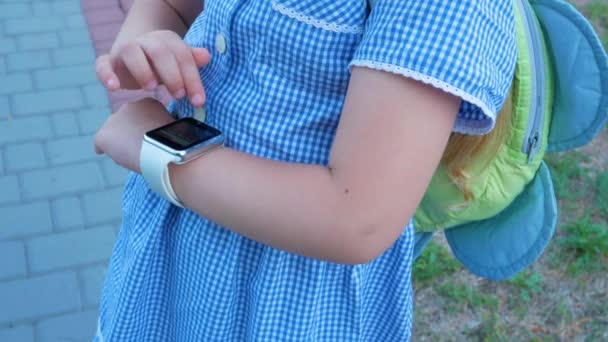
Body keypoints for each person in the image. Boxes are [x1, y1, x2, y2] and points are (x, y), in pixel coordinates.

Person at [92, 0, 517, 340]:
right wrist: (145, 41)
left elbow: (355, 217)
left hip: (290, 299)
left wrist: (154, 146)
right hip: (161, 263)